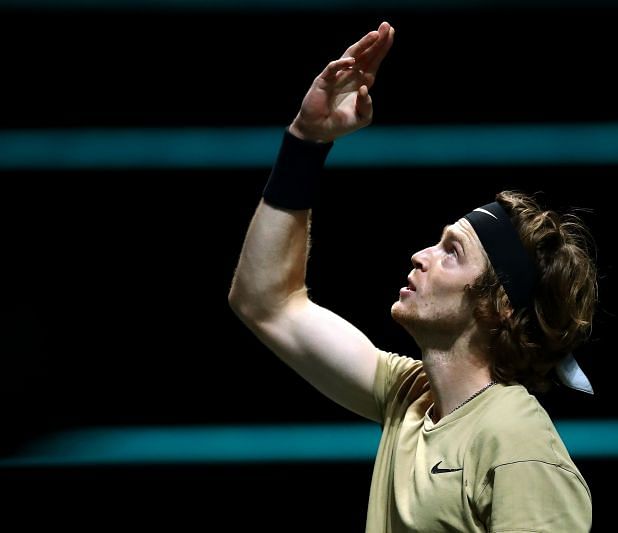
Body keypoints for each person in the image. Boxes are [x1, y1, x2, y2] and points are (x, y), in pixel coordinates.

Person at [229, 21, 596, 533]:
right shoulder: (411, 396)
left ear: (500, 305)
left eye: (452, 252)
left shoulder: (518, 446)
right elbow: (265, 301)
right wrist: (306, 142)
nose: (421, 255)